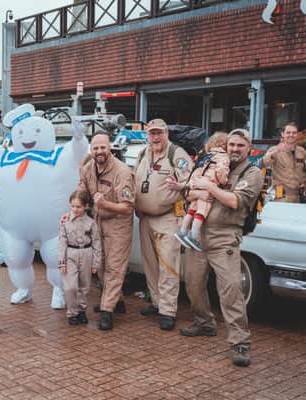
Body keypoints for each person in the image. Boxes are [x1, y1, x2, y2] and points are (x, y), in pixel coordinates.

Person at [180, 129, 263, 367]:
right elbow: (189, 192)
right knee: (193, 283)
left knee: (231, 291)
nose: (235, 149)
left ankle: (240, 343)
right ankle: (204, 323)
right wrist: (200, 187)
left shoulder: (252, 172)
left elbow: (236, 201)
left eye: (240, 145)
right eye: (231, 144)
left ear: (248, 148)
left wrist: (210, 187)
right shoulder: (213, 163)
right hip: (199, 235)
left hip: (225, 237)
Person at [133, 118, 193, 331]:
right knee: (150, 264)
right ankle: (157, 302)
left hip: (168, 217)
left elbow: (192, 182)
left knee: (168, 266)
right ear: (147, 135)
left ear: (167, 133)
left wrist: (181, 186)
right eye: (152, 133)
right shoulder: (142, 154)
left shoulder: (177, 154)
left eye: (159, 133)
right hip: (145, 219)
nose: (156, 137)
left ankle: (168, 311)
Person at [78, 130, 135, 330]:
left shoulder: (122, 172)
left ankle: (107, 310)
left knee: (114, 266)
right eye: (96, 148)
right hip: (97, 221)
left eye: (103, 147)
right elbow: (82, 193)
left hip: (118, 223)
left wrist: (104, 203)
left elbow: (127, 207)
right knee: (100, 265)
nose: (99, 151)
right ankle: (116, 300)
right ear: (91, 150)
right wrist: (74, 209)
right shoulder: (87, 168)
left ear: (109, 148)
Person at [175, 132, 230, 251]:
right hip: (209, 185)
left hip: (197, 183)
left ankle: (182, 231)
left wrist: (193, 184)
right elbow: (221, 171)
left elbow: (196, 171)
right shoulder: (223, 157)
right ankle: (193, 236)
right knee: (201, 212)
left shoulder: (206, 156)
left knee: (191, 210)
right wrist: (223, 181)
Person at [58, 190, 102, 325]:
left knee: (84, 285)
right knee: (70, 287)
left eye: (78, 207)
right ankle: (72, 312)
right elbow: (61, 242)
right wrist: (62, 262)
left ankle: (81, 310)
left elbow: (96, 242)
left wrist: (96, 263)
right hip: (70, 253)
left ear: (86, 206)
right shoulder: (65, 221)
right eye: (73, 206)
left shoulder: (91, 223)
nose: (75, 209)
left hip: (86, 253)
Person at [262, 122, 305, 202]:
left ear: (297, 134)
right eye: (288, 132)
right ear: (283, 134)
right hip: (281, 196)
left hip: (299, 196)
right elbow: (263, 164)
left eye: (294, 133)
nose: (291, 135)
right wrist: (275, 151)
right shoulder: (274, 149)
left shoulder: (301, 151)